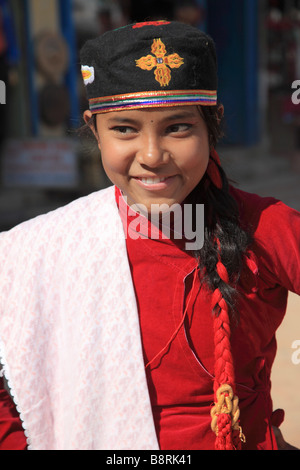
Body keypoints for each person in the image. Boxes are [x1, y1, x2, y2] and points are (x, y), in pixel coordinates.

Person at [0, 20, 299, 451]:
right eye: (124, 129)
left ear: (212, 125)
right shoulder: (42, 248)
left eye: (178, 128)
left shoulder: (264, 226)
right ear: (94, 130)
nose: (153, 155)